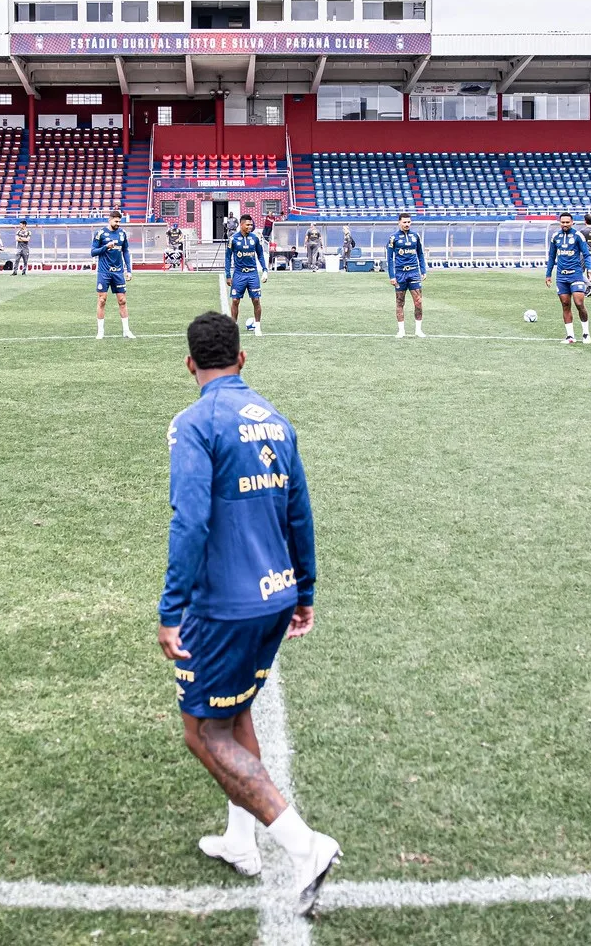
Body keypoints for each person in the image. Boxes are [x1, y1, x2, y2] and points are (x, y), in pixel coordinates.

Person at [159, 311, 338, 913]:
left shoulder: (193, 424)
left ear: (190, 365)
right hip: (277, 593)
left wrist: (171, 607)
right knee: (236, 717)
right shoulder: (277, 422)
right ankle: (241, 842)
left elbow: (190, 521)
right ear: (242, 358)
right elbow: (300, 513)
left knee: (203, 732)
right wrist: (306, 590)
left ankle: (303, 845)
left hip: (225, 605)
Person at [544, 212, 591, 345]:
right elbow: (551, 257)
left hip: (576, 275)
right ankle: (570, 336)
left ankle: (586, 333)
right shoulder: (555, 237)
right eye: (562, 222)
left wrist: (589, 269)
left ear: (572, 222)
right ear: (560, 223)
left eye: (567, 222)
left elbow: (586, 254)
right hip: (561, 277)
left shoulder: (578, 236)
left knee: (579, 303)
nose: (565, 224)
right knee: (565, 305)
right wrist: (548, 275)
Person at [91, 210, 135, 339]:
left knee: (122, 300)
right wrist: (106, 247)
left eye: (119, 221)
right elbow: (93, 252)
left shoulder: (122, 234)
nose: (118, 224)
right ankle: (100, 331)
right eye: (116, 221)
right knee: (102, 300)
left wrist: (129, 270)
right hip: (104, 272)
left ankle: (126, 330)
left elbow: (125, 251)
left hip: (118, 272)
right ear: (109, 220)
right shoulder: (100, 234)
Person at [386, 213, 427, 339]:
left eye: (409, 222)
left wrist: (423, 270)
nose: (407, 224)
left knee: (418, 302)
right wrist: (392, 276)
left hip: (414, 272)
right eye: (404, 222)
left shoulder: (416, 236)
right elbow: (390, 258)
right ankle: (401, 331)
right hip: (400, 274)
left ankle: (418, 330)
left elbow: (420, 253)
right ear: (399, 223)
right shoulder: (393, 238)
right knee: (400, 302)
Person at [226, 214, 268, 333]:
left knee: (256, 300)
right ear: (241, 225)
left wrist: (265, 270)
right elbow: (228, 257)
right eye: (248, 224)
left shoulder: (255, 238)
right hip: (239, 274)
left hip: (252, 274)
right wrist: (228, 275)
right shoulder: (233, 239)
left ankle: (258, 327)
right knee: (235, 301)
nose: (250, 226)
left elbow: (260, 254)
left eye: (251, 224)